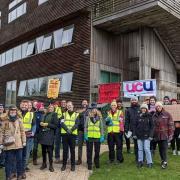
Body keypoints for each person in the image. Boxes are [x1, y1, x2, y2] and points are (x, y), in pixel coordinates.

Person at [0, 105, 26, 180]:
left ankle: (19, 175)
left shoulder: (19, 120)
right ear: (9, 111)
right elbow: (1, 132)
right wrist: (1, 143)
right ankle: (8, 176)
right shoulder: (5, 120)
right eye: (11, 110)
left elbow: (22, 131)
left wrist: (24, 141)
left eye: (14, 110)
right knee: (8, 162)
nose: (13, 112)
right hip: (8, 144)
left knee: (19, 160)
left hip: (18, 144)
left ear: (16, 111)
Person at [153, 102, 174, 169]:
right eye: (157, 106)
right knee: (160, 149)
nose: (158, 107)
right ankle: (162, 160)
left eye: (159, 106)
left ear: (162, 107)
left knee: (164, 149)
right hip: (157, 135)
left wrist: (170, 135)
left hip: (165, 135)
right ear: (155, 108)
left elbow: (171, 125)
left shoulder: (167, 114)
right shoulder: (154, 115)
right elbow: (153, 126)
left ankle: (165, 162)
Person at [60, 101, 79, 171]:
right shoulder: (63, 114)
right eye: (68, 106)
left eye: (70, 105)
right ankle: (64, 165)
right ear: (66, 107)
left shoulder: (76, 114)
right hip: (65, 134)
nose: (69, 106)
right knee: (65, 150)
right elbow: (61, 123)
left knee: (72, 150)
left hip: (72, 135)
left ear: (73, 106)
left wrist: (71, 130)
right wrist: (67, 129)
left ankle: (73, 165)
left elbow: (77, 124)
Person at [84, 103, 104, 170]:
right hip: (89, 137)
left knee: (97, 151)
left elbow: (101, 128)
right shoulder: (88, 117)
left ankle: (97, 163)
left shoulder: (100, 118)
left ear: (97, 110)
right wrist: (85, 134)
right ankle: (89, 164)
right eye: (92, 109)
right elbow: (85, 127)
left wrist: (102, 136)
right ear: (91, 110)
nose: (94, 110)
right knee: (89, 151)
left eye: (95, 109)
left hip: (97, 137)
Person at [134, 103, 154, 168]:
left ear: (146, 109)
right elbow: (134, 126)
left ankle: (149, 162)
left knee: (146, 148)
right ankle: (140, 161)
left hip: (147, 136)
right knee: (140, 149)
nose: (143, 109)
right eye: (142, 108)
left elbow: (152, 126)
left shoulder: (149, 116)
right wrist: (134, 134)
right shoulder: (137, 116)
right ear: (141, 109)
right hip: (139, 135)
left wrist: (151, 135)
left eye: (144, 108)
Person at [38, 104, 57, 172]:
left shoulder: (54, 115)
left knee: (50, 151)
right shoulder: (44, 115)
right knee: (43, 150)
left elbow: (55, 126)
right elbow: (40, 124)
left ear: (53, 109)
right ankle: (44, 163)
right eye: (49, 107)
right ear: (48, 108)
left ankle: (51, 165)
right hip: (43, 134)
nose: (50, 108)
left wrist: (47, 124)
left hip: (50, 134)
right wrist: (41, 124)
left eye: (52, 107)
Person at [20, 100, 36, 178]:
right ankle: (16, 170)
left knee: (26, 154)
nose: (24, 106)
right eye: (23, 105)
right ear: (20, 105)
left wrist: (33, 132)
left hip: (28, 137)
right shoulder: (17, 114)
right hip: (19, 137)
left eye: (26, 105)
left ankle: (22, 171)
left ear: (28, 106)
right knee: (18, 154)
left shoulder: (31, 114)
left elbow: (34, 125)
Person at [125, 96, 140, 163]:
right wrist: (126, 129)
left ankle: (142, 158)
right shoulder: (128, 110)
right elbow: (127, 120)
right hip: (133, 130)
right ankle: (137, 158)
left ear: (137, 101)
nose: (134, 101)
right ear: (131, 101)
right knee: (136, 145)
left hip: (141, 129)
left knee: (142, 145)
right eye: (132, 100)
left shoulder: (141, 108)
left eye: (135, 100)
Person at [76, 99, 89, 165]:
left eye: (85, 102)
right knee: (79, 145)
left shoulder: (89, 111)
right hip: (80, 130)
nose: (84, 103)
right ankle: (79, 159)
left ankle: (88, 160)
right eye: (83, 102)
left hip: (87, 130)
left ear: (87, 103)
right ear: (82, 103)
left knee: (88, 146)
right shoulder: (79, 111)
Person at [54, 100, 67, 164]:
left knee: (65, 144)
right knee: (57, 144)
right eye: (62, 103)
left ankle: (66, 158)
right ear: (60, 104)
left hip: (65, 128)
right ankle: (57, 158)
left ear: (66, 104)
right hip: (58, 128)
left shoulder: (68, 109)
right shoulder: (57, 109)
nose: (63, 104)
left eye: (64, 103)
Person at [0, 104, 6, 169]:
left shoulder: (5, 115)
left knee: (3, 149)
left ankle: (2, 163)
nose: (0, 108)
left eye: (1, 107)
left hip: (3, 134)